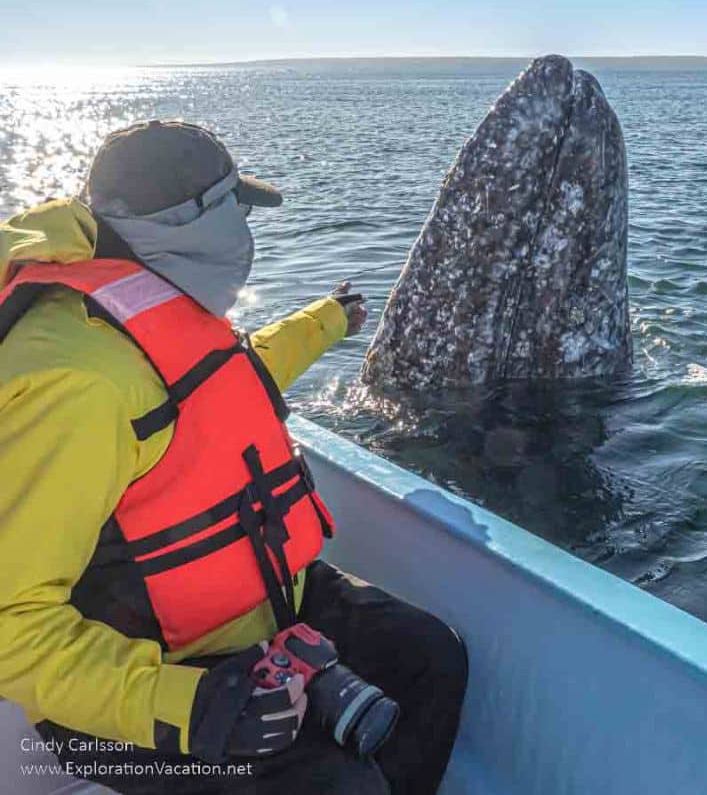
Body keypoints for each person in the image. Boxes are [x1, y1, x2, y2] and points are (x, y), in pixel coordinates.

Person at [0, 120, 467, 794]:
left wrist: (325, 321)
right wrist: (189, 708)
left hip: (258, 615)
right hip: (149, 684)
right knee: (340, 786)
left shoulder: (144, 297)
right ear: (195, 222)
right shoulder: (73, 381)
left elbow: (220, 381)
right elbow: (11, 624)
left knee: (431, 657)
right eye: (237, 209)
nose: (248, 228)